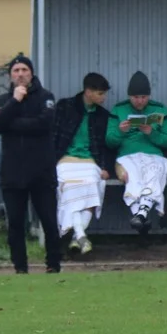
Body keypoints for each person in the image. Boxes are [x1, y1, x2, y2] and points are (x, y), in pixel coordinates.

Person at [0, 55, 61, 274]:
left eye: (24, 70)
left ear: (31, 73)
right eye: (16, 70)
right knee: (15, 224)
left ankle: (53, 265)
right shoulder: (3, 100)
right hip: (12, 173)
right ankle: (20, 268)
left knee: (48, 220)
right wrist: (14, 102)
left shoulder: (46, 97)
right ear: (11, 75)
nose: (20, 74)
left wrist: (10, 123)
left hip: (41, 171)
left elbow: (43, 124)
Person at [53, 72, 116, 255]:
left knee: (92, 187)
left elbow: (105, 146)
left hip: (90, 162)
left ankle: (76, 238)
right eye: (100, 93)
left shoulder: (103, 115)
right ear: (88, 92)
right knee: (69, 189)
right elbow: (53, 136)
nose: (103, 98)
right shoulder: (65, 107)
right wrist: (50, 162)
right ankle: (81, 235)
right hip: (65, 159)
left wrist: (105, 167)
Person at [106, 71, 167, 234]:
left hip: (153, 154)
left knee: (154, 171)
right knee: (132, 177)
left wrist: (151, 132)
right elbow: (109, 142)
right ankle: (142, 214)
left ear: (149, 95)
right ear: (129, 96)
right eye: (136, 97)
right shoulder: (118, 110)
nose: (140, 101)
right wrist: (120, 131)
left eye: (144, 97)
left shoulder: (160, 110)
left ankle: (140, 214)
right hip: (127, 155)